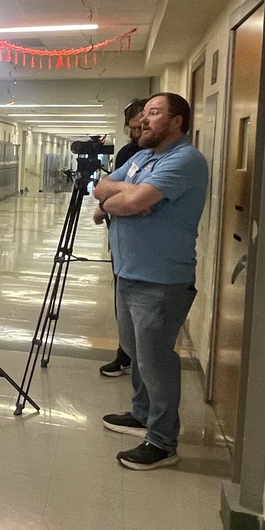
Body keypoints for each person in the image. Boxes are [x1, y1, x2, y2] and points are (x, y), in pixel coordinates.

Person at [92, 93, 208, 470]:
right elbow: (104, 188)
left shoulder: (185, 159)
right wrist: (130, 197)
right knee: (136, 351)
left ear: (177, 121)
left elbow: (124, 202)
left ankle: (162, 441)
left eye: (154, 113)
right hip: (128, 272)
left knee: (156, 361)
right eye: (144, 114)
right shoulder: (143, 158)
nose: (144, 120)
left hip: (161, 280)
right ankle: (141, 413)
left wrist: (126, 200)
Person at [98, 98, 147, 378]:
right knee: (122, 298)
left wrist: (127, 199)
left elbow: (137, 200)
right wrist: (112, 202)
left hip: (149, 245)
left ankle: (140, 360)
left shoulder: (167, 157)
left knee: (143, 308)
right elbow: (108, 190)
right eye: (132, 129)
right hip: (121, 236)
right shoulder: (129, 152)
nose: (136, 134)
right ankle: (125, 352)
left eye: (141, 127)